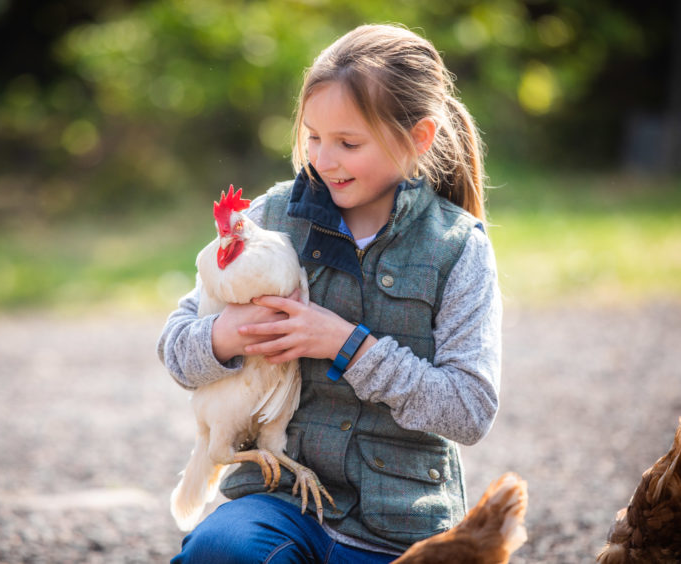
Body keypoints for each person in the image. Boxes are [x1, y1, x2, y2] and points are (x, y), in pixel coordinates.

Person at [158, 23, 501, 563]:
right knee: (222, 553)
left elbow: (469, 410)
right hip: (280, 498)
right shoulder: (265, 222)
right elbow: (176, 352)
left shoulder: (458, 248)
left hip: (400, 520)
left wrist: (348, 344)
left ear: (419, 138)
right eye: (313, 137)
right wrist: (224, 336)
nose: (323, 159)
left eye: (348, 143)